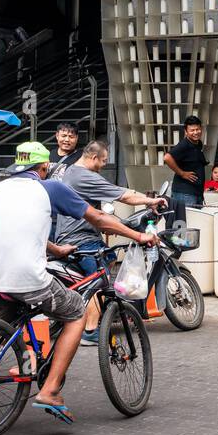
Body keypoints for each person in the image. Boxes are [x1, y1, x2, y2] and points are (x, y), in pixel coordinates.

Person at [0, 142, 156, 429]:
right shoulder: (51, 187)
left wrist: (55, 249)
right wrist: (139, 237)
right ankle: (51, 389)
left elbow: (19, 228)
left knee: (0, 340)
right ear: (43, 168)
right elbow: (101, 219)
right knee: (77, 312)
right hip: (27, 277)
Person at [53, 140, 166, 345]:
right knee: (97, 280)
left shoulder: (71, 171)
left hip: (76, 234)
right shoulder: (85, 176)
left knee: (110, 258)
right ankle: (90, 330)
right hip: (81, 239)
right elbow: (124, 195)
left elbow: (95, 212)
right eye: (103, 160)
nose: (104, 164)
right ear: (93, 157)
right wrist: (151, 201)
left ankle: (90, 310)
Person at [163, 115, 206, 217]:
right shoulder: (184, 144)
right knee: (185, 224)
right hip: (185, 194)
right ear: (186, 132)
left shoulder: (197, 143)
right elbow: (167, 158)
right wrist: (182, 173)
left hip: (196, 193)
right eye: (192, 130)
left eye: (198, 129)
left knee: (195, 223)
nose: (196, 132)